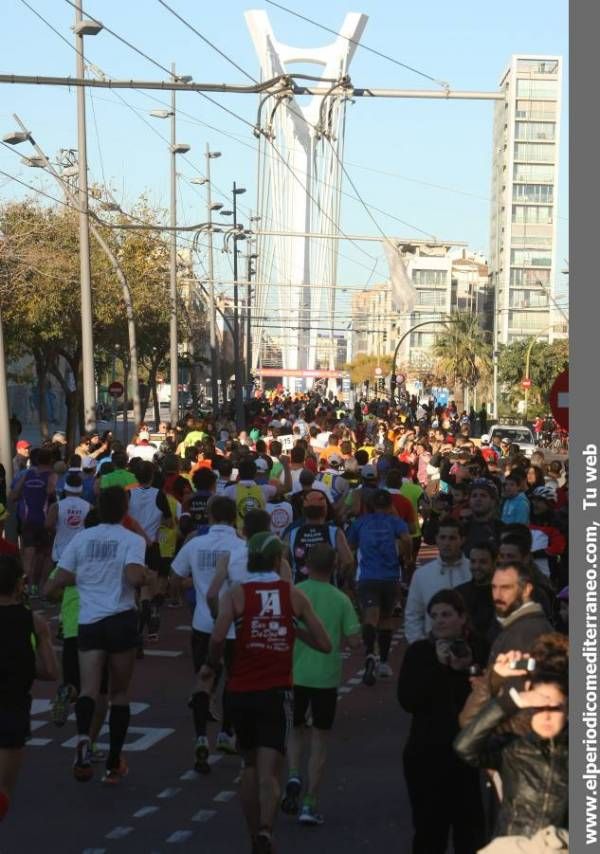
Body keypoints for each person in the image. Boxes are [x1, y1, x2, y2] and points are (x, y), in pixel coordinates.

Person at [199, 532, 332, 854]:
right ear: (277, 561)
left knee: (249, 764)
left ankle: (251, 833)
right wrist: (293, 630)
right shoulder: (293, 595)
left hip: (240, 689)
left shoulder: (236, 594)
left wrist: (210, 666)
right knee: (271, 770)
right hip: (277, 691)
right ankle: (266, 829)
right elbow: (325, 644)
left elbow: (218, 638)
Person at [45, 486, 149, 784]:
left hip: (89, 621)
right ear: (125, 511)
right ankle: (114, 761)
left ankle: (82, 741)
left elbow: (57, 582)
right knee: (118, 693)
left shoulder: (81, 538)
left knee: (89, 690)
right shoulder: (132, 539)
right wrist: (144, 578)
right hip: (120, 618)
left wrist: (64, 590)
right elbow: (132, 576)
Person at [398, 589, 486, 854]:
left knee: (469, 832)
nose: (439, 621)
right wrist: (438, 667)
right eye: (434, 616)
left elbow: (493, 696)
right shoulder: (419, 653)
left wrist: (468, 669)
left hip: (465, 756)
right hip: (425, 755)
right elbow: (408, 700)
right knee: (428, 831)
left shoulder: (478, 647)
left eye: (446, 614)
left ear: (462, 617)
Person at [281, 544, 361, 824]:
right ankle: (309, 803)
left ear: (306, 565)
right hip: (326, 678)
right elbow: (354, 641)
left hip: (293, 675)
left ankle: (292, 774)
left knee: (294, 729)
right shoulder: (340, 599)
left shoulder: (293, 594)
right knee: (320, 740)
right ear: (335, 566)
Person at [171, 496, 248, 771]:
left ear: (211, 517)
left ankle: (201, 737)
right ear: (234, 517)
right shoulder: (242, 548)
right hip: (235, 625)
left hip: (203, 623)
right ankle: (227, 732)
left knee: (204, 680)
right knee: (234, 680)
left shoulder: (195, 544)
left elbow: (175, 577)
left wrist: (187, 594)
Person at [454, 653, 568, 839]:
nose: (546, 715)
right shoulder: (513, 745)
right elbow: (465, 745)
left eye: (555, 708)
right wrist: (507, 701)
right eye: (538, 707)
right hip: (515, 845)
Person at [0, 555, 58, 821]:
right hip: (12, 712)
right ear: (19, 584)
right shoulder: (34, 622)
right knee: (2, 797)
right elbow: (49, 670)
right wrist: (21, 664)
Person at [347, 489, 412, 684]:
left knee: (370, 617)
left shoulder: (360, 523)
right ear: (389, 505)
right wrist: (407, 557)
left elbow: (350, 548)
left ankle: (369, 654)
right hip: (390, 577)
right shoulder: (395, 522)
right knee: (386, 620)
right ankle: (383, 662)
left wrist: (348, 573)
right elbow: (407, 539)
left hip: (367, 577)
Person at [404, 517, 471, 645]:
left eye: (452, 538)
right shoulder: (421, 575)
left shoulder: (473, 571)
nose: (447, 543)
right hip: (432, 649)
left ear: (462, 540)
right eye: (443, 537)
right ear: (436, 539)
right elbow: (413, 615)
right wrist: (419, 645)